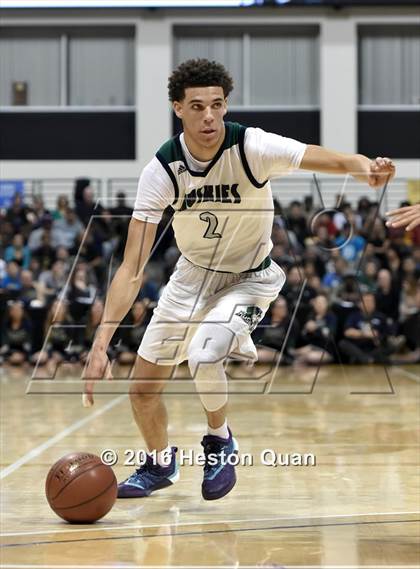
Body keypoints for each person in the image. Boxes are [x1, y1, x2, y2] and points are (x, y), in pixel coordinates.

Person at [83, 58, 395, 501]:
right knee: (143, 391)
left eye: (217, 105)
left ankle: (219, 440)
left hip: (251, 277)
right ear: (178, 108)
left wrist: (364, 167)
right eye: (197, 106)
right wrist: (100, 344)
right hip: (191, 278)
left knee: (204, 355)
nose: (209, 116)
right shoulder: (163, 170)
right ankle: (159, 465)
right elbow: (132, 266)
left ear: (225, 105)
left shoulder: (251, 145)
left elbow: (318, 155)